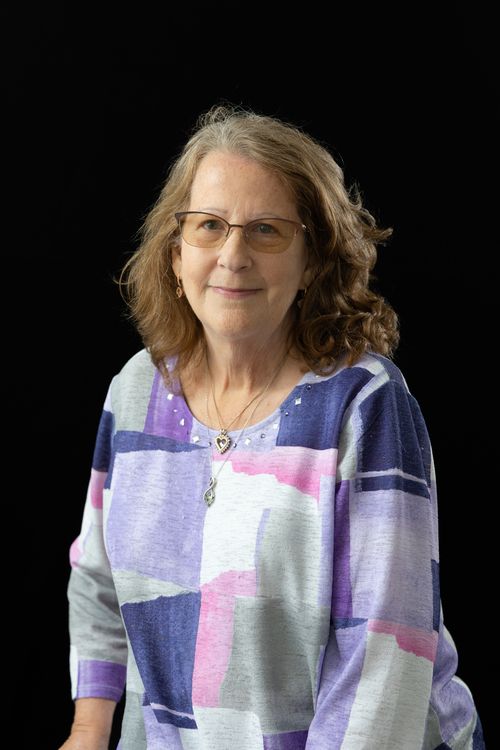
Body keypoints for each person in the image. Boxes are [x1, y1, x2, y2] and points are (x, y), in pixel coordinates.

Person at [60, 104, 485, 750]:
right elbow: (97, 579)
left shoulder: (363, 404)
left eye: (266, 231)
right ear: (176, 254)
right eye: (209, 226)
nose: (233, 255)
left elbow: (381, 661)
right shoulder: (138, 390)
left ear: (312, 261)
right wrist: (89, 731)